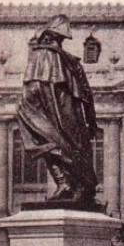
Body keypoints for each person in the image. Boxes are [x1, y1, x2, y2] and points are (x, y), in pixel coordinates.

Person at [16, 14, 98, 204]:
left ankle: (66, 184)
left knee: (48, 142)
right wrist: (91, 121)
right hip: (70, 117)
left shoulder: (40, 56)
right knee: (67, 147)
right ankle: (70, 185)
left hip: (52, 114)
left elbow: (31, 91)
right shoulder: (72, 62)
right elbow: (86, 94)